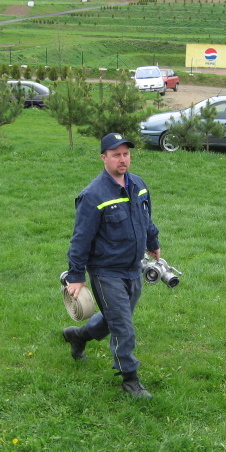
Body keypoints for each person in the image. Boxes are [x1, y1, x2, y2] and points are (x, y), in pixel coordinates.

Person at [61, 133, 161, 398]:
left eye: (126, 154)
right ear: (103, 158)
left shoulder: (138, 185)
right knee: (123, 326)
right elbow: (80, 239)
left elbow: (147, 218)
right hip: (106, 272)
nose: (122, 159)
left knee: (114, 318)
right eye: (116, 155)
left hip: (133, 267)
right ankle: (130, 379)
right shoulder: (93, 195)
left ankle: (78, 336)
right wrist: (76, 275)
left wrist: (153, 241)